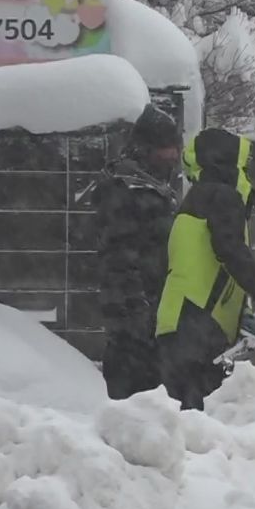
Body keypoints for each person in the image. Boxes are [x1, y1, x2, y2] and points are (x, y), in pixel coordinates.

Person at [155, 128, 255, 410]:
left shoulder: (200, 198)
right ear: (227, 164)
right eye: (243, 167)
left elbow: (206, 263)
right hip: (195, 323)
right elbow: (229, 249)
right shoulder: (221, 197)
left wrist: (238, 312)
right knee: (197, 419)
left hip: (183, 321)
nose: (248, 176)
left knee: (188, 417)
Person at [92, 103, 182, 400]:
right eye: (166, 148)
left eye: (174, 147)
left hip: (151, 310)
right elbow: (119, 257)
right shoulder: (125, 189)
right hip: (132, 313)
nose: (172, 155)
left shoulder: (154, 187)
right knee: (134, 400)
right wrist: (137, 310)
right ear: (146, 148)